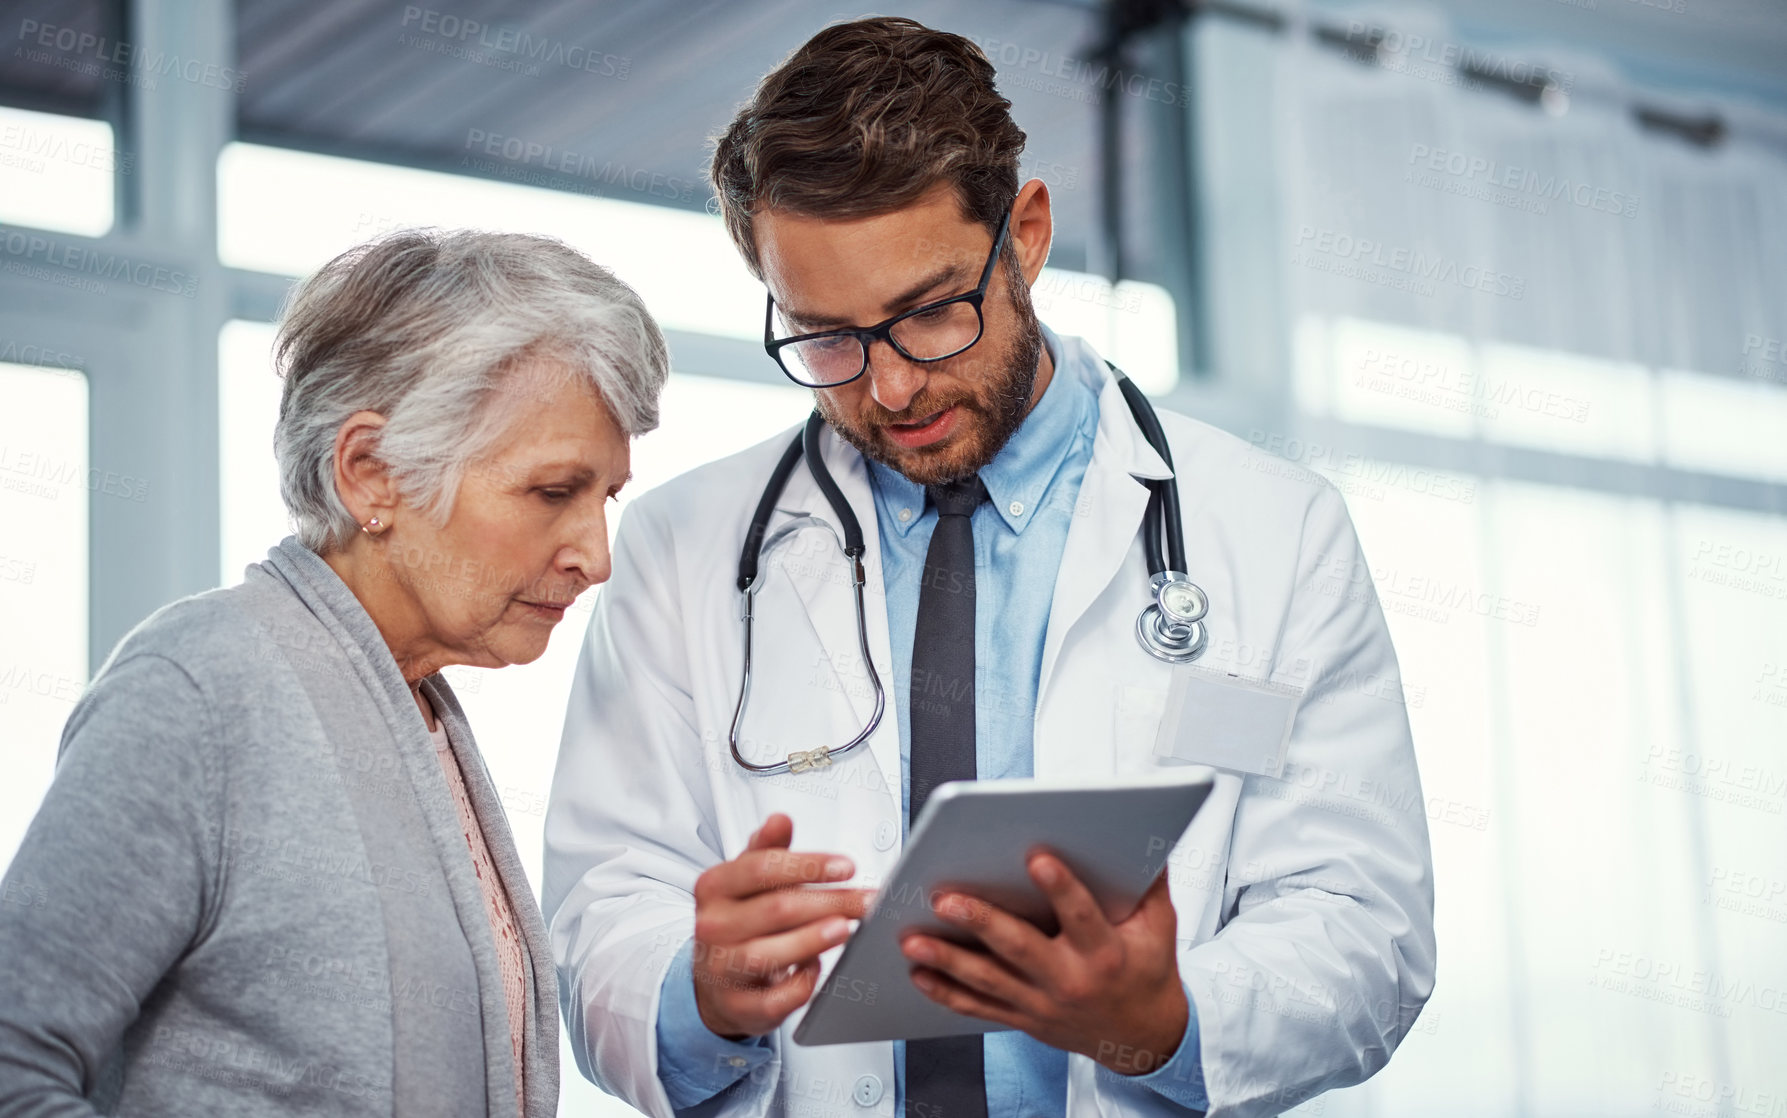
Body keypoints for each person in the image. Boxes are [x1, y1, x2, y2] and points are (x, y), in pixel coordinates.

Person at [545, 16, 1435, 1118]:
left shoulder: (1273, 531)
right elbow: (595, 915)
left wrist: (1160, 1018)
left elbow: (1362, 926)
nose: (890, 389)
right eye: (825, 338)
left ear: (1026, 235)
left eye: (927, 315)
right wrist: (695, 990)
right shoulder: (684, 548)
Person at [0, 229, 667, 1117]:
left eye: (605, 498)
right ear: (371, 474)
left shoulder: (417, 706)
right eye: (553, 493)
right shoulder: (203, 688)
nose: (595, 555)